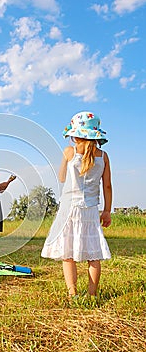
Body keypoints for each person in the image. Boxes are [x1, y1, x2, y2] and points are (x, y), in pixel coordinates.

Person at [41, 112, 112, 299]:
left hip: (69, 208)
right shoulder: (103, 156)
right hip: (90, 209)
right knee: (94, 254)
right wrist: (106, 211)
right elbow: (107, 186)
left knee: (68, 253)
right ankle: (92, 294)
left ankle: (72, 292)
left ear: (75, 134)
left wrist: (65, 160)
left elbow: (62, 177)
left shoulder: (69, 152)